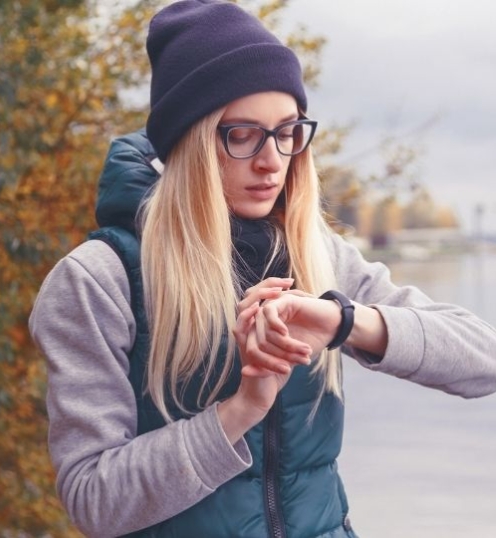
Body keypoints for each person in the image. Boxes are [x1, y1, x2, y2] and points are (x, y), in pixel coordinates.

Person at [29, 1, 496, 537]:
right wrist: (242, 408)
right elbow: (94, 499)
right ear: (191, 140)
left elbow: (484, 359)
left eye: (288, 130)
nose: (273, 160)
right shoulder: (98, 281)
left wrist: (344, 322)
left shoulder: (315, 254)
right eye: (243, 134)